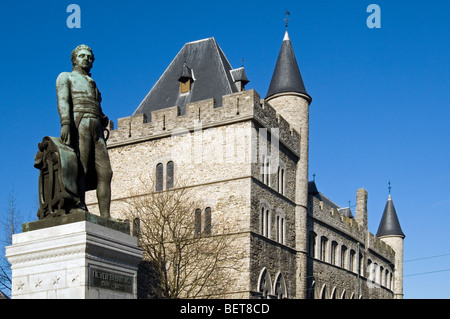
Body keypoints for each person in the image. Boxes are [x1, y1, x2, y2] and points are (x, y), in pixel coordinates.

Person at [56, 44, 112, 218]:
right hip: (80, 122)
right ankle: (79, 205)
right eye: (82, 56)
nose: (86, 59)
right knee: (83, 167)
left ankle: (105, 215)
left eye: (89, 56)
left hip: (96, 127)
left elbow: (96, 105)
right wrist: (65, 123)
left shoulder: (93, 83)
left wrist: (102, 117)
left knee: (105, 172)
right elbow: (63, 100)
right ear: (74, 59)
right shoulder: (66, 77)